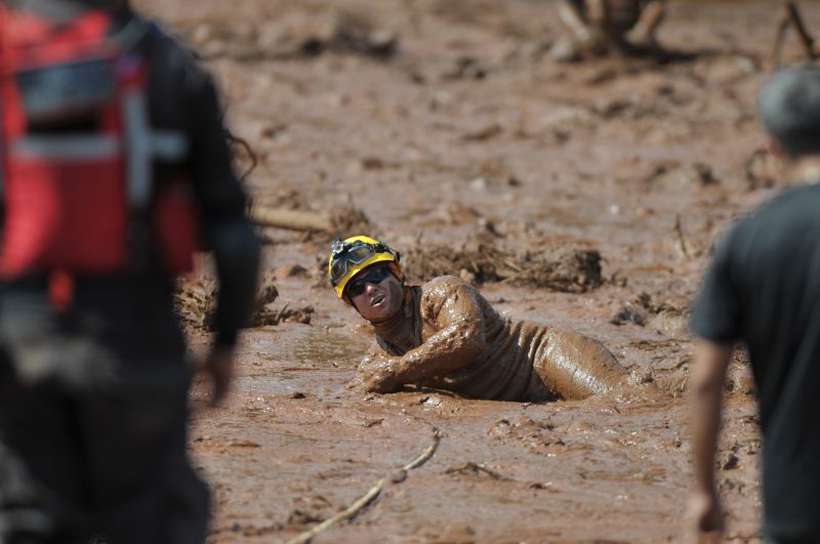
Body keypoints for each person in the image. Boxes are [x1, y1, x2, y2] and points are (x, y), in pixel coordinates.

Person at [0, 0, 260, 542]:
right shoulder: (165, 62)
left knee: (28, 517)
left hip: (17, 342)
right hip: (133, 338)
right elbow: (233, 235)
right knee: (150, 516)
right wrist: (226, 342)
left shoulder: (8, 53)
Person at [688, 66, 820, 544]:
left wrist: (704, 492)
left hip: (796, 504)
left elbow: (706, 381)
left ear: (772, 147)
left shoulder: (747, 239)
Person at [328, 235, 629, 401]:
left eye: (376, 275)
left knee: (627, 401)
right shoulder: (379, 357)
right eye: (357, 288)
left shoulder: (441, 292)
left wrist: (397, 371)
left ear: (397, 273)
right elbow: (353, 397)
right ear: (352, 305)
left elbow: (467, 339)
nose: (370, 289)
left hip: (543, 356)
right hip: (520, 402)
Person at [550, 0, 666, 62]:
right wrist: (581, 31)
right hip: (592, 33)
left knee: (652, 55)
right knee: (563, 53)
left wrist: (643, 30)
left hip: (630, 33)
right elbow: (565, 5)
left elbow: (656, 5)